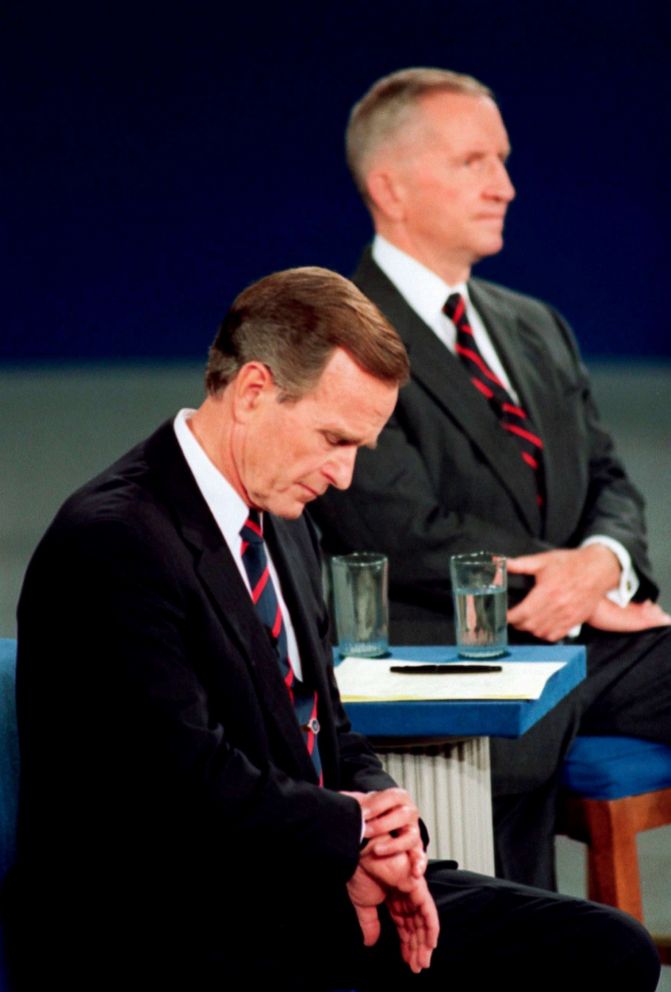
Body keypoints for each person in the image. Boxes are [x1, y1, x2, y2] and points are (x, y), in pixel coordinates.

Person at [4, 266, 659, 990]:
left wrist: (387, 827)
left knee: (605, 949)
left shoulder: (282, 519)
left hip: (300, 883)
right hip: (167, 925)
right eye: (333, 438)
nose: (344, 477)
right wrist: (351, 836)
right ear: (253, 392)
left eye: (358, 449)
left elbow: (328, 726)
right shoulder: (115, 542)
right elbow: (180, 784)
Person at [310, 67, 671, 887]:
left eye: (503, 161)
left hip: (584, 644)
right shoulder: (336, 334)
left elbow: (610, 477)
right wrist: (567, 582)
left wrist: (601, 565)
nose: (505, 186)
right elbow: (398, 529)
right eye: (475, 162)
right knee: (514, 940)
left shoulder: (533, 324)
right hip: (449, 656)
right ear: (390, 187)